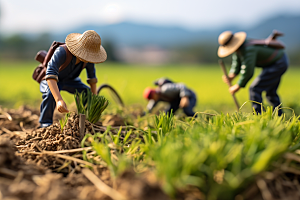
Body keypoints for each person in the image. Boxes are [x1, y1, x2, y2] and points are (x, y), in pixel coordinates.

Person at [39, 30, 107, 128]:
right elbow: (50, 75)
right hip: (52, 80)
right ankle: (45, 123)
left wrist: (93, 99)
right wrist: (59, 100)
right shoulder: (62, 52)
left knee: (86, 92)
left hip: (70, 80)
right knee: (49, 95)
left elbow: (92, 79)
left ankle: (85, 119)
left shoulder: (89, 60)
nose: (88, 58)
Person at [218, 31, 288, 115]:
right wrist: (232, 75)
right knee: (270, 91)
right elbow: (237, 63)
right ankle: (278, 114)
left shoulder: (248, 49)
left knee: (255, 89)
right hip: (274, 64)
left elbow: (248, 71)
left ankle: (259, 115)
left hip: (278, 64)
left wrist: (238, 85)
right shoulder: (240, 49)